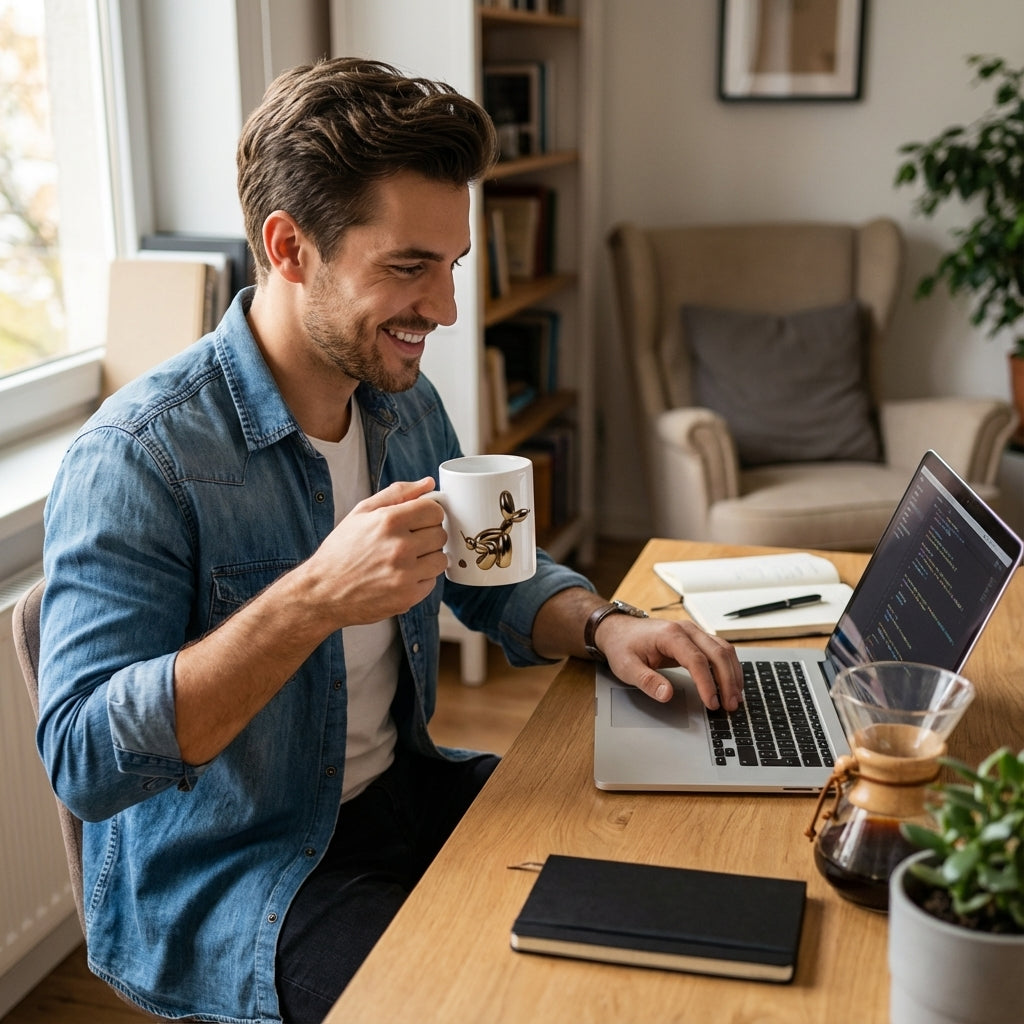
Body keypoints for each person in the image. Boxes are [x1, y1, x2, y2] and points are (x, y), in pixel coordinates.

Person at [37, 58, 743, 1023]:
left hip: (402, 795)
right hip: (240, 877)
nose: (445, 310)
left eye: (451, 265)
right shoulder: (138, 458)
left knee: (657, 881)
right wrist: (312, 598)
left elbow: (488, 575)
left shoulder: (402, 408)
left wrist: (602, 624)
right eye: (408, 267)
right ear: (290, 247)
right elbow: (83, 759)